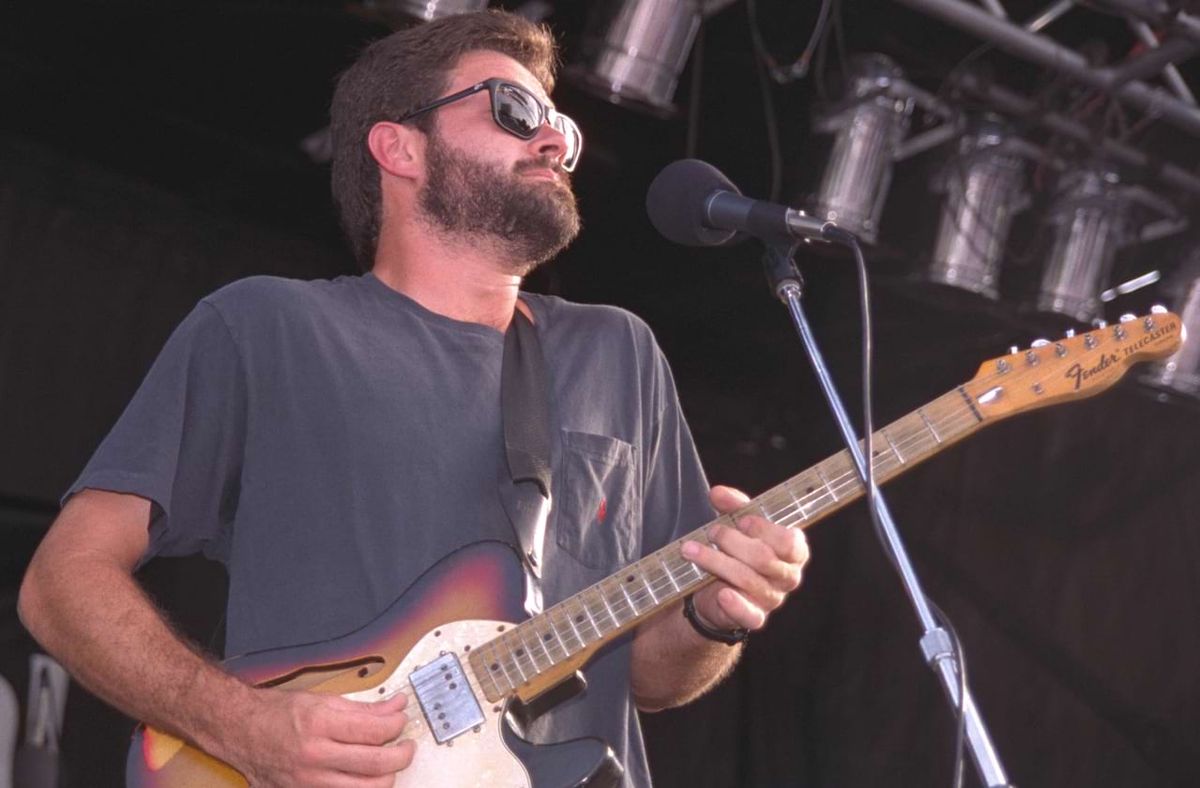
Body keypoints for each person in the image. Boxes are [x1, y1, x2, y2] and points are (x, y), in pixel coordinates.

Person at [18, 10, 808, 787]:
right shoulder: (268, 326)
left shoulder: (618, 352)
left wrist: (714, 613)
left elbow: (645, 677)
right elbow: (62, 580)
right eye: (514, 109)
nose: (553, 139)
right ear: (398, 146)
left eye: (557, 124)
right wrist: (240, 724)